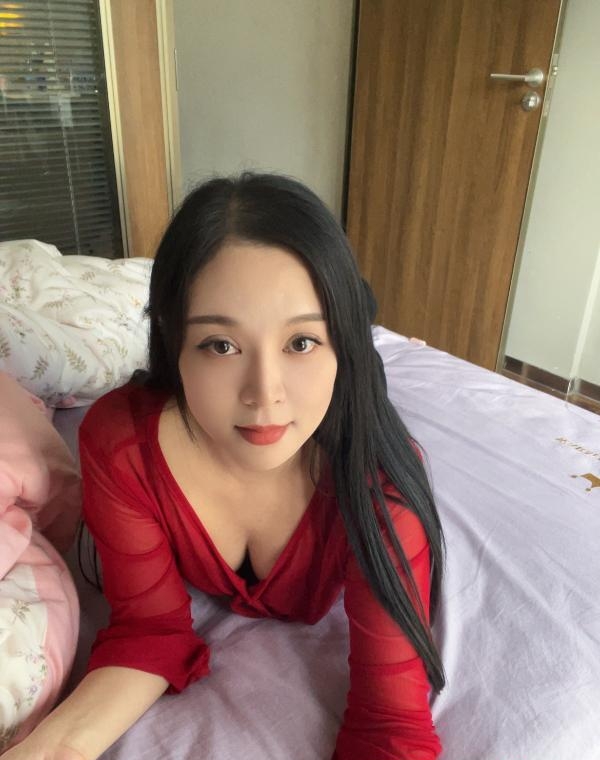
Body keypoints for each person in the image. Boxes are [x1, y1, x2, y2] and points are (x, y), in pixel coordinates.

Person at [4, 172, 446, 759]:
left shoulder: (380, 480)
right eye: (221, 345)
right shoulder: (122, 443)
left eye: (302, 342)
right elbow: (150, 630)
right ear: (173, 341)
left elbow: (391, 724)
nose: (264, 395)